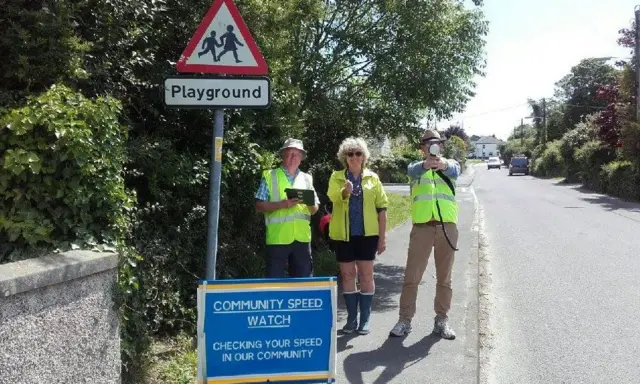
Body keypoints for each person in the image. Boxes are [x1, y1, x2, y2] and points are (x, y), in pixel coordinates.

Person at [389, 129, 461, 340]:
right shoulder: (415, 167)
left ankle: (442, 320)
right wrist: (425, 165)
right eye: (428, 144)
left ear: (442, 146)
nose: (433, 147)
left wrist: (443, 164)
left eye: (436, 143)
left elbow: (456, 170)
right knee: (412, 276)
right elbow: (411, 171)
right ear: (422, 148)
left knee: (445, 277)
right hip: (422, 228)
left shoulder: (450, 165)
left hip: (446, 228)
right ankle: (405, 320)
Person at [327, 137, 388, 335]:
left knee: (366, 275)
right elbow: (332, 197)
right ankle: (351, 320)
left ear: (364, 157)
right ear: (344, 157)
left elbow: (382, 209)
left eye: (358, 153)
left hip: (367, 236)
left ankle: (365, 319)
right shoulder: (336, 177)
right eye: (350, 153)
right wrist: (345, 192)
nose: (354, 157)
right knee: (347, 275)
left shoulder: (373, 178)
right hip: (343, 236)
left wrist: (382, 238)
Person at [255, 138, 319, 278]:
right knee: (274, 285)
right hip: (277, 238)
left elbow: (314, 210)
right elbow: (259, 206)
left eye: (297, 154)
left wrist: (308, 202)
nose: (293, 157)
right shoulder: (270, 176)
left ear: (301, 158)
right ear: (282, 156)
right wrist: (282, 204)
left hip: (302, 239)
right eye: (289, 153)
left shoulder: (307, 178)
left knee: (302, 286)